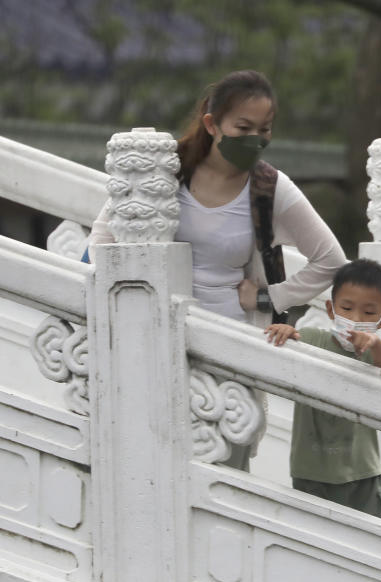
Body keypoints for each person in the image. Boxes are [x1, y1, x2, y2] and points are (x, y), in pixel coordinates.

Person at [87, 69, 349, 469]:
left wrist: (268, 296)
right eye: (242, 127)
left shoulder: (269, 187)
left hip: (230, 345)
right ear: (212, 124)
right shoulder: (163, 170)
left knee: (226, 470)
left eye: (264, 129)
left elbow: (331, 261)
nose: (254, 139)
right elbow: (103, 240)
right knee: (148, 462)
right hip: (154, 339)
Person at [265, 259, 381, 519]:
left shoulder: (373, 354)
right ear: (331, 310)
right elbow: (282, 353)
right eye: (347, 308)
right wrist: (285, 332)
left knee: (371, 546)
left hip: (362, 474)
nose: (355, 320)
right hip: (310, 472)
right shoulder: (310, 340)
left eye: (368, 313)